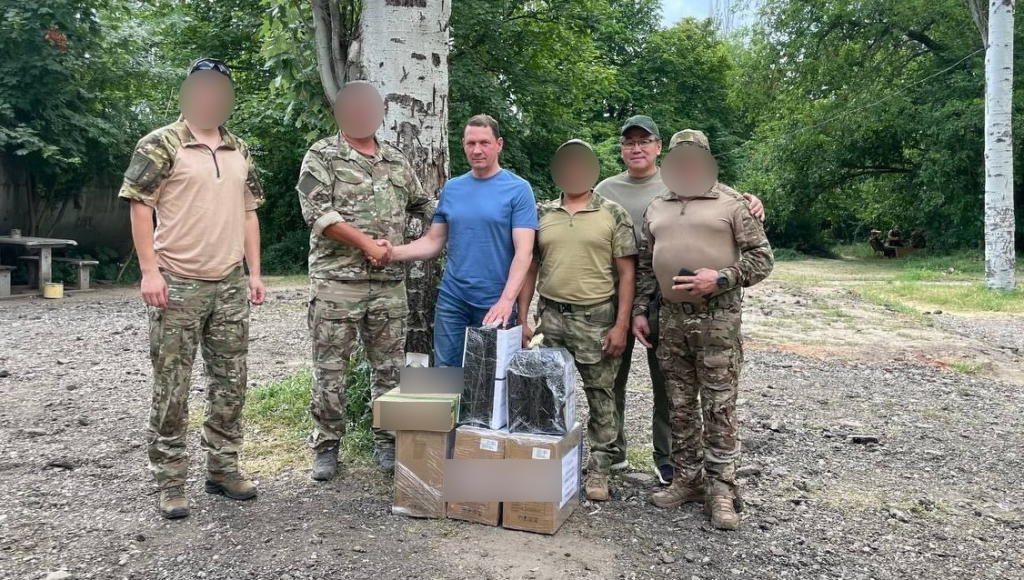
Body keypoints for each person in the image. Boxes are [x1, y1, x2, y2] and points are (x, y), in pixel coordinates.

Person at [119, 58, 265, 519]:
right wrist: (150, 271)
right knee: (172, 386)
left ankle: (223, 469)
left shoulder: (239, 149)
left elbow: (249, 212)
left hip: (230, 283)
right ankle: (170, 480)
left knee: (231, 382)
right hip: (178, 281)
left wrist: (254, 272)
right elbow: (140, 206)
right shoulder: (161, 144)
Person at [594, 115, 765, 485]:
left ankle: (675, 462)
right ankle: (612, 455)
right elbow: (638, 257)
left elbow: (756, 250)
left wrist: (750, 203)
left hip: (689, 309)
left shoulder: (718, 195)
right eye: (629, 142)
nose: (636, 148)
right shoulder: (616, 192)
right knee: (618, 382)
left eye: (644, 141)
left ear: (658, 147)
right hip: (623, 298)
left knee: (678, 389)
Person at [633, 129, 773, 530]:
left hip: (717, 320)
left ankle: (722, 491)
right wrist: (641, 310)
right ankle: (687, 480)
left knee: (718, 407)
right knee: (679, 406)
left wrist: (722, 278)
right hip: (671, 320)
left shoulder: (733, 203)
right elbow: (646, 265)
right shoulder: (657, 206)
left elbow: (762, 259)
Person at [296, 81, 434, 479]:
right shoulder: (322, 155)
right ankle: (326, 446)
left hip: (388, 284)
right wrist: (367, 244)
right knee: (330, 370)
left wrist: (467, 213)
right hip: (337, 283)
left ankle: (387, 442)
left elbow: (424, 204)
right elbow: (318, 215)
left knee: (390, 369)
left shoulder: (395, 159)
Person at [517, 139, 636, 501]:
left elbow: (627, 274)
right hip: (551, 317)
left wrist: (621, 325)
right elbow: (530, 268)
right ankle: (549, 462)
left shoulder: (613, 213)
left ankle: (599, 469)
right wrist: (523, 318)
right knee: (546, 393)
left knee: (601, 396)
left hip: (596, 318)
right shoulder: (543, 213)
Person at [391, 115, 537, 366]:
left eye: (484, 143)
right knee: (446, 372)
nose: (477, 150)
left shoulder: (519, 189)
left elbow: (524, 253)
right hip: (453, 300)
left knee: (489, 378)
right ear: (463, 145)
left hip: (495, 301)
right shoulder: (452, 188)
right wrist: (391, 253)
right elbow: (433, 241)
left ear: (499, 144)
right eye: (471, 143)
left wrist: (506, 301)